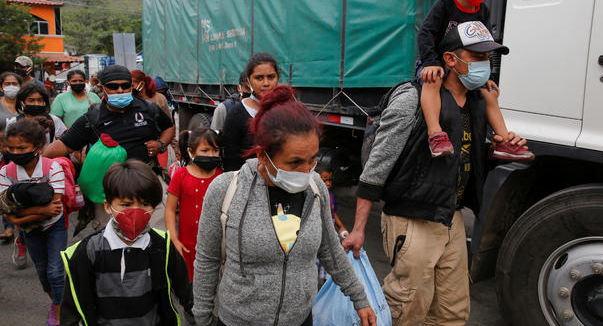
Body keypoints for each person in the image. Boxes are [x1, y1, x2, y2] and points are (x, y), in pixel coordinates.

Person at [343, 22, 529, 326]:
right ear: (450, 60)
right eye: (477, 56)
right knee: (408, 307)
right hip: (412, 217)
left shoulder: (478, 102)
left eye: (488, 58)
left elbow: (465, 158)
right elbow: (377, 166)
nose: (485, 65)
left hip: (450, 216)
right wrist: (359, 228)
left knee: (452, 312)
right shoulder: (411, 99)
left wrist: (502, 143)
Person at [193, 86, 376, 326]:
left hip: (300, 318)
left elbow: (330, 250)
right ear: (262, 156)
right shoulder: (226, 189)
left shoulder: (316, 188)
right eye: (295, 162)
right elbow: (207, 260)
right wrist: (202, 318)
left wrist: (360, 298)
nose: (306, 170)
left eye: (312, 159)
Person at [416, 0, 533, 161]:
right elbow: (425, 33)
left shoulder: (483, 11)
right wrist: (430, 62)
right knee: (433, 80)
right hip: (435, 62)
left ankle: (504, 141)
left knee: (488, 92)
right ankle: (435, 134)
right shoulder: (444, 5)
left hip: (464, 64)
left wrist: (488, 77)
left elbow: (485, 45)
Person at [43, 65, 175, 235]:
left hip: (147, 180)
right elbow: (63, 146)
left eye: (125, 85)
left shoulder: (148, 109)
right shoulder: (92, 118)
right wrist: (36, 159)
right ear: (102, 88)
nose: (120, 90)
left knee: (157, 232)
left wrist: (161, 144)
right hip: (109, 188)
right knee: (113, 237)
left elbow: (169, 128)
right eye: (113, 86)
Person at [60, 160, 194, 325]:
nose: (136, 211)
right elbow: (72, 309)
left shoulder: (162, 246)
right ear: (108, 206)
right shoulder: (87, 251)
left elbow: (186, 291)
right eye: (126, 204)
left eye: (145, 204)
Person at [0, 119, 67, 326]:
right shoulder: (6, 172)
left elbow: (55, 208)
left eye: (21, 148)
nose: (15, 152)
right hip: (30, 230)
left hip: (54, 225)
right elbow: (5, 209)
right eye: (10, 148)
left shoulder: (52, 167)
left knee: (55, 271)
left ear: (38, 148)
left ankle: (59, 309)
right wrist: (38, 210)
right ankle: (56, 303)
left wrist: (17, 217)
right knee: (42, 271)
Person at [165, 127, 223, 281]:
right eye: (205, 150)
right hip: (187, 245)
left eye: (215, 150)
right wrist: (174, 239)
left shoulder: (221, 177)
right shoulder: (181, 175)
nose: (211, 155)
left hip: (213, 247)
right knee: (189, 285)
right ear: (191, 151)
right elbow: (170, 209)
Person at [221, 52, 280, 171]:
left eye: (271, 77)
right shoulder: (236, 114)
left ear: (277, 78)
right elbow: (231, 162)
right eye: (259, 78)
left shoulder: (287, 111)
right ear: (248, 81)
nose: (266, 83)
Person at [317, 164, 348, 237]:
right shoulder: (315, 197)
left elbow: (332, 213)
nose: (328, 183)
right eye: (324, 180)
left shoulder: (330, 195)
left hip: (329, 231)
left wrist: (341, 226)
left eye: (330, 180)